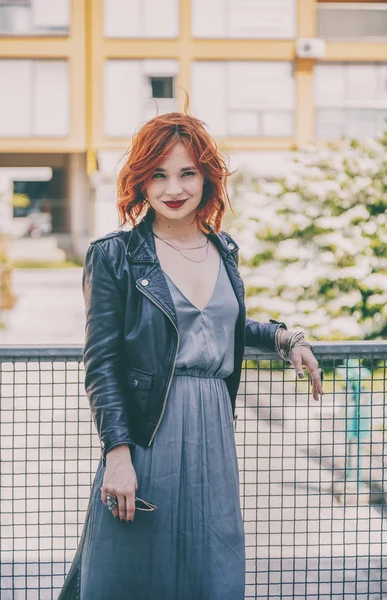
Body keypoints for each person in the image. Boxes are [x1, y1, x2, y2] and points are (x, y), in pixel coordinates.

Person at [58, 112, 323, 600]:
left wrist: (286, 339)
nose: (173, 187)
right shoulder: (114, 255)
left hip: (214, 436)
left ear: (207, 177)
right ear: (140, 180)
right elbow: (102, 363)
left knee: (211, 566)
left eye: (186, 173)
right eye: (158, 174)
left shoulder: (223, 249)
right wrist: (118, 455)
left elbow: (217, 324)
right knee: (134, 570)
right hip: (148, 433)